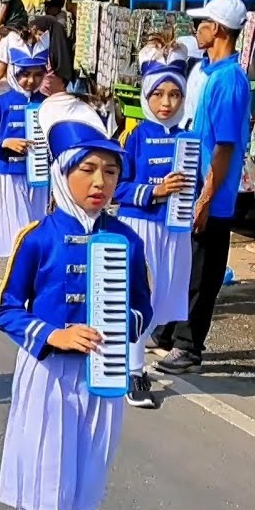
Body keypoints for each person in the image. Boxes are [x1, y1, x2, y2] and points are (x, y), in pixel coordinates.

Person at [0, 93, 152, 510]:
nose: (100, 182)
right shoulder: (38, 238)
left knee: (84, 484)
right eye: (88, 169)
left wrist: (116, 324)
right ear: (64, 173)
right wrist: (52, 335)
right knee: (42, 485)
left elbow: (142, 309)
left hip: (101, 377)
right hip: (47, 374)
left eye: (110, 171)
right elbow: (7, 309)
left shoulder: (127, 240)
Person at [154, 0, 252, 375]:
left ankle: (189, 347)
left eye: (204, 23)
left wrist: (207, 197)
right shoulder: (206, 72)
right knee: (182, 263)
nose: (198, 29)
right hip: (191, 186)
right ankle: (169, 330)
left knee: (202, 272)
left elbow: (224, 147)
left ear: (220, 30)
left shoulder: (230, 80)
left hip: (215, 195)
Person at [112, 39, 193, 408]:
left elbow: (197, 183)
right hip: (140, 228)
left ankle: (125, 354)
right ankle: (134, 370)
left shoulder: (188, 140)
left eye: (175, 94)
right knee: (139, 300)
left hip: (173, 232)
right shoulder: (133, 136)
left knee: (161, 301)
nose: (166, 103)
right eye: (158, 94)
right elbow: (117, 187)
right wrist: (155, 190)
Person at [0, 42, 49, 258]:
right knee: (17, 239)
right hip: (8, 177)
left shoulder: (49, 103)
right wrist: (4, 144)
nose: (31, 80)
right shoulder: (1, 102)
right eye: (25, 74)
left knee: (36, 235)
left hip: (38, 180)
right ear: (13, 72)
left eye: (38, 75)